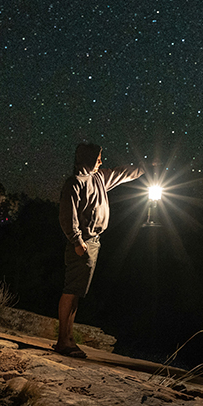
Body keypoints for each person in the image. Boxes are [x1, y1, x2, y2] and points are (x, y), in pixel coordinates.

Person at [54, 142, 144, 358]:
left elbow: (121, 174)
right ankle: (63, 341)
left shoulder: (99, 178)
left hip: (93, 241)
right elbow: (67, 215)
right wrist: (77, 241)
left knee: (77, 293)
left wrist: (145, 168)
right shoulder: (74, 183)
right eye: (98, 157)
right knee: (71, 290)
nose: (102, 161)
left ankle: (67, 338)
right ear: (88, 158)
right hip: (82, 243)